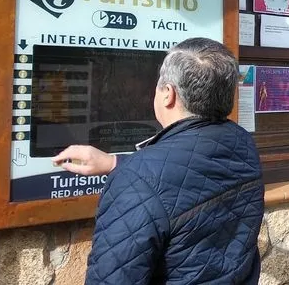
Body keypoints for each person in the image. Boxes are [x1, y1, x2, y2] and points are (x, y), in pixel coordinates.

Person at [53, 38, 264, 284]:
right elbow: (189, 180)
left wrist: (130, 173)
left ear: (168, 94)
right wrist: (114, 163)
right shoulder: (242, 144)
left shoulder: (137, 179)